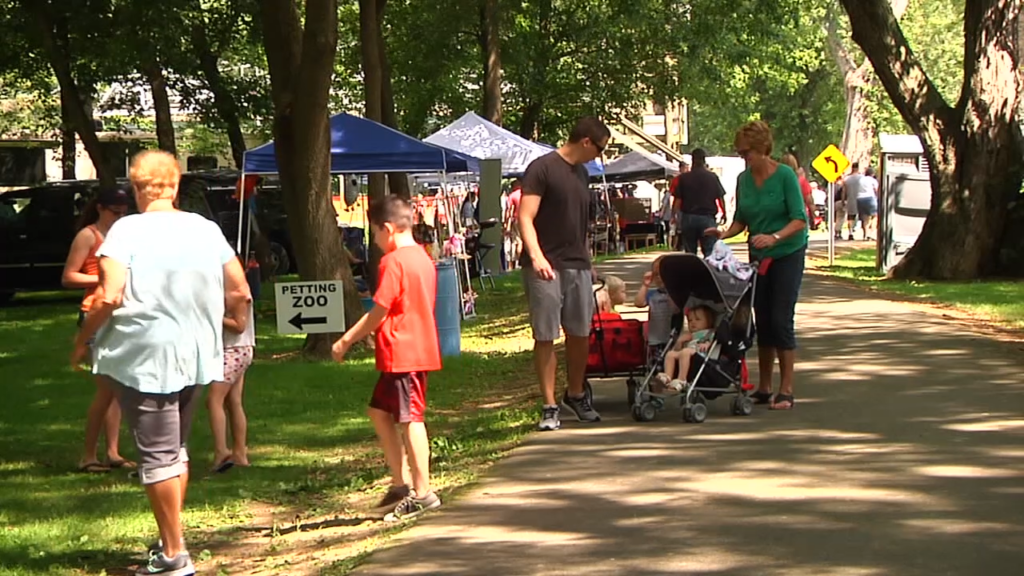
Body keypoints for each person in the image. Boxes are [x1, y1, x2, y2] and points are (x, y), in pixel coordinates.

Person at [72, 150, 252, 575]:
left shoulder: (125, 232)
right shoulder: (205, 229)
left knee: (157, 457)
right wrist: (231, 319)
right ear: (175, 185)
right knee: (176, 452)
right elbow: (240, 289)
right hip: (195, 353)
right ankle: (171, 540)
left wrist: (83, 339)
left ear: (136, 188)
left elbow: (111, 295)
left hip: (143, 356)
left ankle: (174, 554)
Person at [332, 195, 443, 521]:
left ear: (389, 229)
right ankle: (399, 484)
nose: (377, 241)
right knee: (379, 412)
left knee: (411, 420)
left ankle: (422, 493)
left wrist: (346, 340)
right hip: (413, 350)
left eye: (377, 234)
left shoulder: (393, 262)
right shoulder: (423, 257)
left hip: (404, 352)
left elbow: (379, 312)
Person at [705, 120, 807, 411]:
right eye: (739, 153)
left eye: (746, 152)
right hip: (758, 257)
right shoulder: (744, 179)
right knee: (759, 319)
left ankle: (786, 389)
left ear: (763, 149)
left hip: (787, 252)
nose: (743, 158)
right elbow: (742, 219)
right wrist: (724, 233)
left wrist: (775, 237)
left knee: (780, 318)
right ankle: (764, 386)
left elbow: (800, 219)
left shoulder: (785, 176)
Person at [518, 116, 610, 431]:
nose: (598, 156)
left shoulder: (582, 174)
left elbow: (579, 222)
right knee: (545, 335)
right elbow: (525, 217)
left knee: (580, 332)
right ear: (586, 141)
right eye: (599, 149)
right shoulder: (542, 168)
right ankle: (548, 405)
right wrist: (537, 256)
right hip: (545, 266)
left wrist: (587, 258)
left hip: (578, 264)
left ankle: (575, 392)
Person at [62, 187, 133, 474]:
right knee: (107, 389)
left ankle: (112, 452)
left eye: (123, 212)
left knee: (116, 390)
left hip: (117, 314)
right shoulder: (88, 236)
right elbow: (68, 276)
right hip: (93, 312)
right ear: (100, 208)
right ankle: (88, 456)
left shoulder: (123, 237)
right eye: (115, 212)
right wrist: (102, 276)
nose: (119, 217)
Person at [207, 290, 255, 472]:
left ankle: (221, 451)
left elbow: (239, 325)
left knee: (213, 400)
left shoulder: (238, 293)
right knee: (233, 401)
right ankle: (240, 454)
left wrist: (212, 316)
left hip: (235, 350)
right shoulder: (226, 291)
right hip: (233, 349)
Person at [673, 148, 726, 257]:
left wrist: (674, 216)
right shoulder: (712, 177)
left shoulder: (683, 178)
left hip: (688, 218)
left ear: (692, 160)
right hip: (707, 218)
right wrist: (724, 213)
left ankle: (692, 273)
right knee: (709, 252)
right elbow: (720, 197)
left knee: (690, 253)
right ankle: (708, 273)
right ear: (704, 160)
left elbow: (677, 200)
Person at [654, 305, 715, 392]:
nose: (693, 322)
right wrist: (679, 341)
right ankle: (667, 377)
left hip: (701, 356)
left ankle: (682, 380)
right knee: (670, 353)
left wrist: (707, 344)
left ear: (709, 321)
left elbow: (715, 341)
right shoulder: (689, 334)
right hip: (686, 355)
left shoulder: (710, 332)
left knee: (685, 352)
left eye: (697, 319)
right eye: (690, 320)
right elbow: (677, 350)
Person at [842, 162, 866, 241]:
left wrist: (843, 200)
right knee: (863, 218)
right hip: (861, 199)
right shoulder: (863, 178)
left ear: (852, 168)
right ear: (858, 168)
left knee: (850, 218)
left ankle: (850, 233)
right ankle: (865, 234)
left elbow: (844, 191)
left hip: (851, 199)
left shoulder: (847, 179)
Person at [504, 179, 523, 269]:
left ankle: (519, 262)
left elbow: (508, 212)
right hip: (526, 220)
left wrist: (505, 223)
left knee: (518, 241)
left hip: (516, 220)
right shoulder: (525, 193)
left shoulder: (512, 196)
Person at [860, 167, 880, 240]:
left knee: (865, 218)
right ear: (872, 174)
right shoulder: (873, 180)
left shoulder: (861, 180)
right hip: (870, 198)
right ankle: (871, 234)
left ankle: (865, 234)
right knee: (874, 216)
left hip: (860, 199)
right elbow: (876, 190)